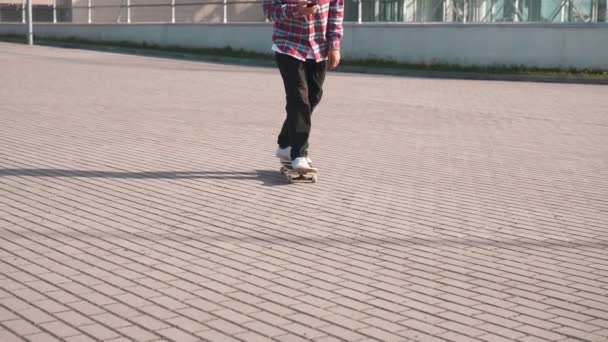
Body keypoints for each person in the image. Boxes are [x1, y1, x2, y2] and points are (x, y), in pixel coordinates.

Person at [263, 0, 344, 170]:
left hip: (319, 48)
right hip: (288, 45)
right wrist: (296, 10)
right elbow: (270, 10)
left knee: (313, 97)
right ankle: (299, 154)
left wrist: (334, 46)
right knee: (299, 98)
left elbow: (335, 13)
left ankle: (285, 144)